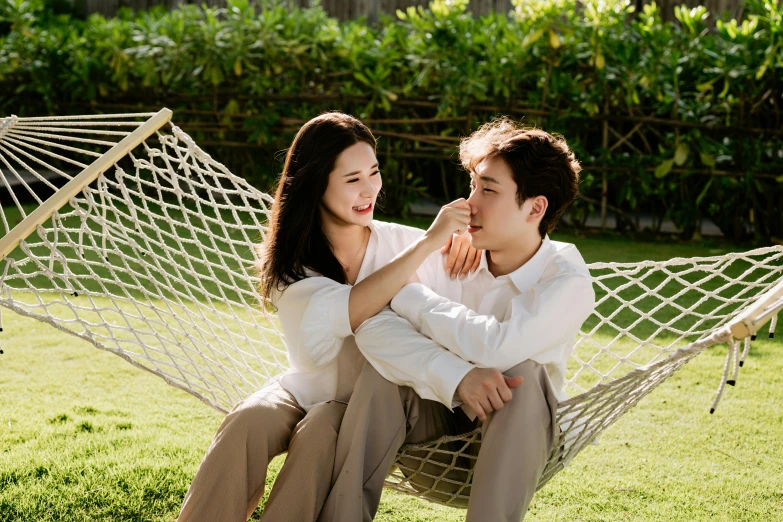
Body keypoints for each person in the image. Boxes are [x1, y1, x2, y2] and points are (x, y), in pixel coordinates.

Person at [176, 111, 485, 522]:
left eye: (373, 173)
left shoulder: (405, 244)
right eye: (352, 179)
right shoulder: (291, 269)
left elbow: (506, 257)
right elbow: (353, 308)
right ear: (316, 183)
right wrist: (431, 241)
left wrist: (473, 242)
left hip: (363, 406)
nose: (369, 189)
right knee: (247, 421)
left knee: (320, 430)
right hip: (306, 387)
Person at [318, 118, 597, 522]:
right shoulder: (455, 252)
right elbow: (373, 327)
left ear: (536, 207)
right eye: (473, 186)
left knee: (523, 374)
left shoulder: (567, 278)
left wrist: (410, 295)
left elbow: (496, 348)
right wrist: (455, 376)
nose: (469, 203)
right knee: (382, 373)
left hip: (518, 440)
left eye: (488, 190)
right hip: (436, 443)